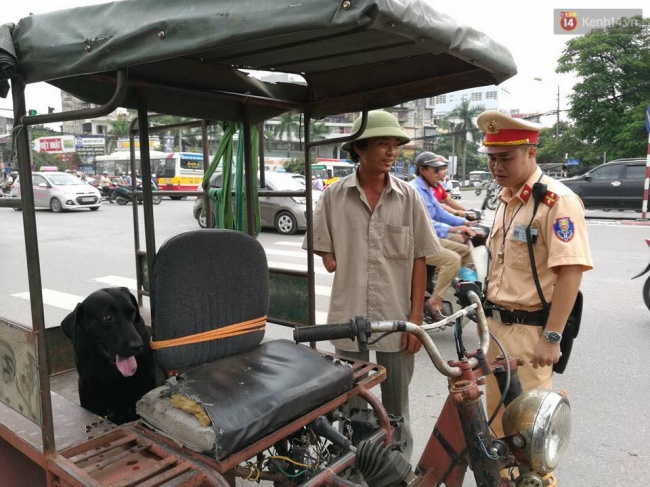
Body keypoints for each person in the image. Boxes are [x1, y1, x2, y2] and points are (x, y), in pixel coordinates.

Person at [305, 110, 440, 461]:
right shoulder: (333, 198)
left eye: (395, 144)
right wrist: (330, 255)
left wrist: (416, 320)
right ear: (359, 149)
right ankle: (354, 465)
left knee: (397, 404)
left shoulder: (409, 197)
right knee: (352, 404)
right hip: (349, 316)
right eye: (383, 143)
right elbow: (324, 250)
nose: (392, 151)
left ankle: (398, 467)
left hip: (398, 317)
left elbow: (420, 258)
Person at [476, 110, 593, 447]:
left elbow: (570, 272)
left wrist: (552, 336)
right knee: (497, 430)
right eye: (492, 159)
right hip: (497, 331)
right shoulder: (507, 198)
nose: (497, 167)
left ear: (531, 153)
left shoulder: (557, 201)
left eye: (506, 158)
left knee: (525, 438)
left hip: (530, 336)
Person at [409, 152, 478, 317]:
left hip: (427, 238)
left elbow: (439, 213)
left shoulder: (427, 189)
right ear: (423, 170)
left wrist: (464, 223)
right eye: (436, 170)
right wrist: (453, 229)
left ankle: (445, 286)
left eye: (442, 169)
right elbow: (422, 222)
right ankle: (435, 300)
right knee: (452, 259)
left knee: (465, 251)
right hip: (414, 242)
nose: (441, 174)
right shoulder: (415, 190)